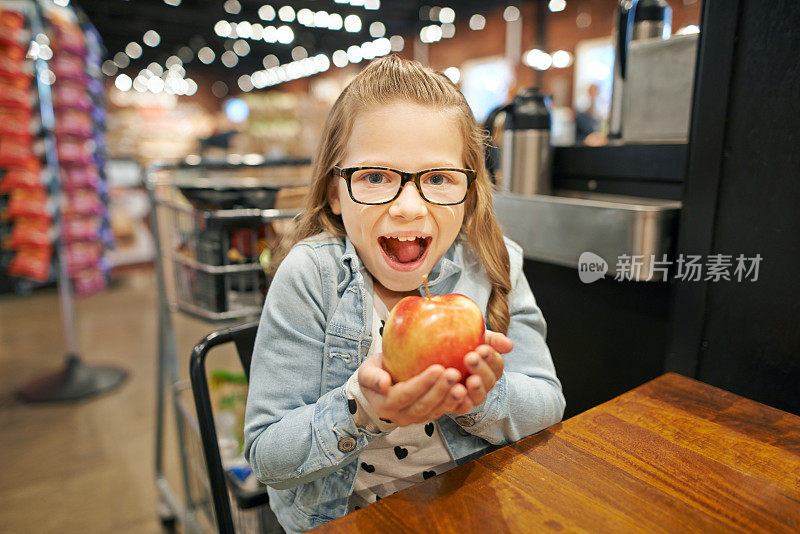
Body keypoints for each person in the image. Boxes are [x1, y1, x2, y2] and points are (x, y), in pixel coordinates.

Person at [244, 55, 565, 533]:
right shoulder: (312, 277)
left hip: (469, 506)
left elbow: (548, 404)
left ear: (470, 191)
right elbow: (268, 455)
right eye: (375, 177)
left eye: (438, 179)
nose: (409, 208)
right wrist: (365, 410)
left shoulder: (496, 262)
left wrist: (483, 399)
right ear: (335, 192)